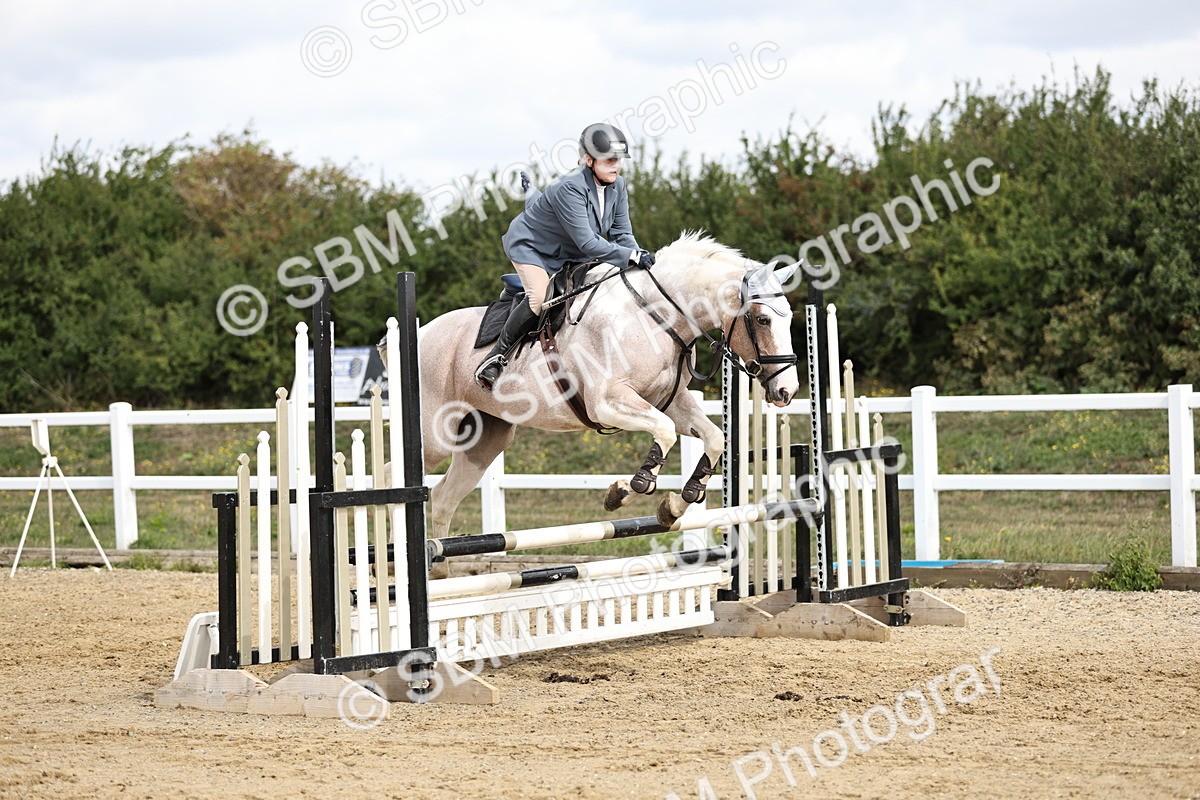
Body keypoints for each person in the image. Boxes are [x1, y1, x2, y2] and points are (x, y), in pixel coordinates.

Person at [474, 122, 657, 391]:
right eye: (608, 160)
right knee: (539, 296)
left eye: (618, 160)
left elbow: (622, 234)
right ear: (588, 159)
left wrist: (638, 257)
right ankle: (494, 359)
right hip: (532, 247)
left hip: (572, 251)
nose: (615, 166)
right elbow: (589, 243)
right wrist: (630, 256)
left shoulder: (618, 187)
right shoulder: (569, 187)